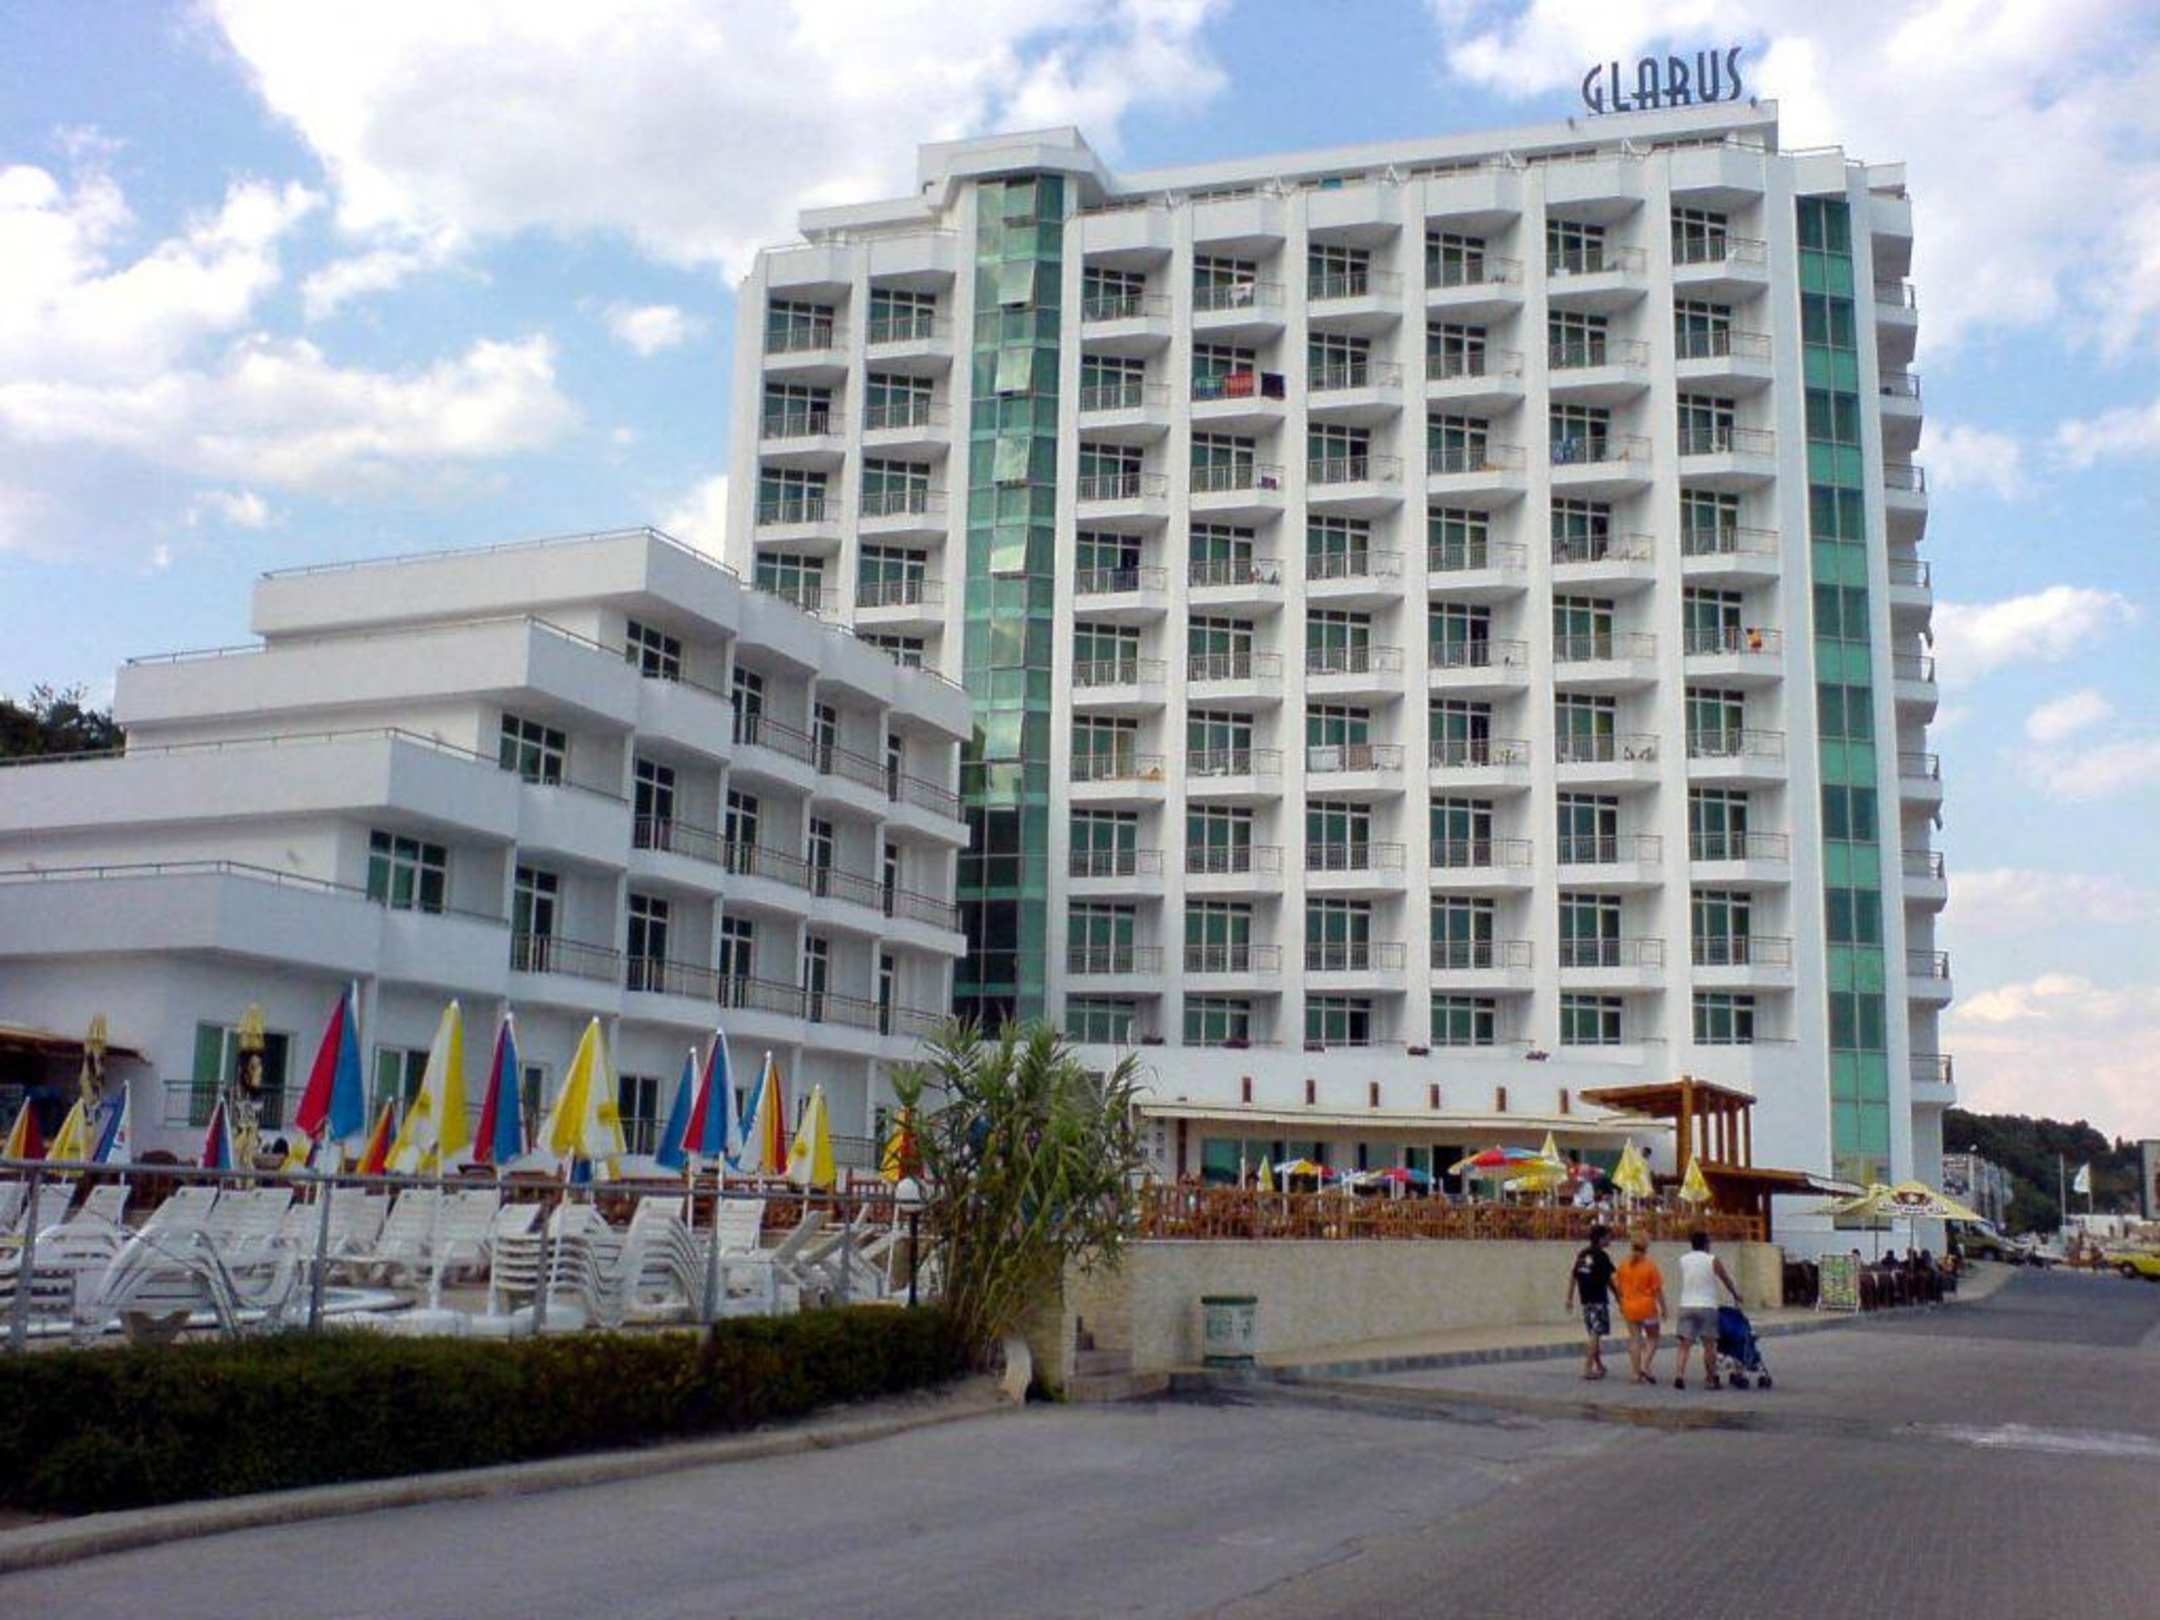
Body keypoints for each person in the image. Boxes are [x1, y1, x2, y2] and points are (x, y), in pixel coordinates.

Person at [1672, 1228, 1743, 1389]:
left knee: (1684, 1344)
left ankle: (1679, 1375)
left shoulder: (1683, 1259)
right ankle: (1710, 1379)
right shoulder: (1712, 1260)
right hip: (1707, 1306)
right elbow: (1725, 1279)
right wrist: (1735, 1294)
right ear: (1706, 1244)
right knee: (1709, 1346)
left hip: (1686, 1304)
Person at [1565, 1223, 1618, 1381]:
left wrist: (1569, 1297)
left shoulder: (1583, 1254)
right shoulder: (1602, 1256)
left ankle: (1599, 1364)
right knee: (1596, 1332)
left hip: (1586, 1300)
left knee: (1594, 1333)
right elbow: (1609, 1280)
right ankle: (1588, 1368)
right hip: (1598, 1299)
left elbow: (1574, 1276)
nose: (1610, 1240)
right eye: (1608, 1237)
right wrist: (1619, 1296)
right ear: (1600, 1239)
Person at [1615, 1233, 1667, 1384]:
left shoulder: (1624, 1265)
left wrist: (1622, 1301)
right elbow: (1657, 1290)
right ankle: (1645, 1365)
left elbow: (1618, 1286)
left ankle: (1635, 1373)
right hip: (1647, 1307)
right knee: (1653, 1337)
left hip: (1629, 1306)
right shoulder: (1650, 1266)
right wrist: (1664, 1308)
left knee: (1635, 1339)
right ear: (1646, 1247)